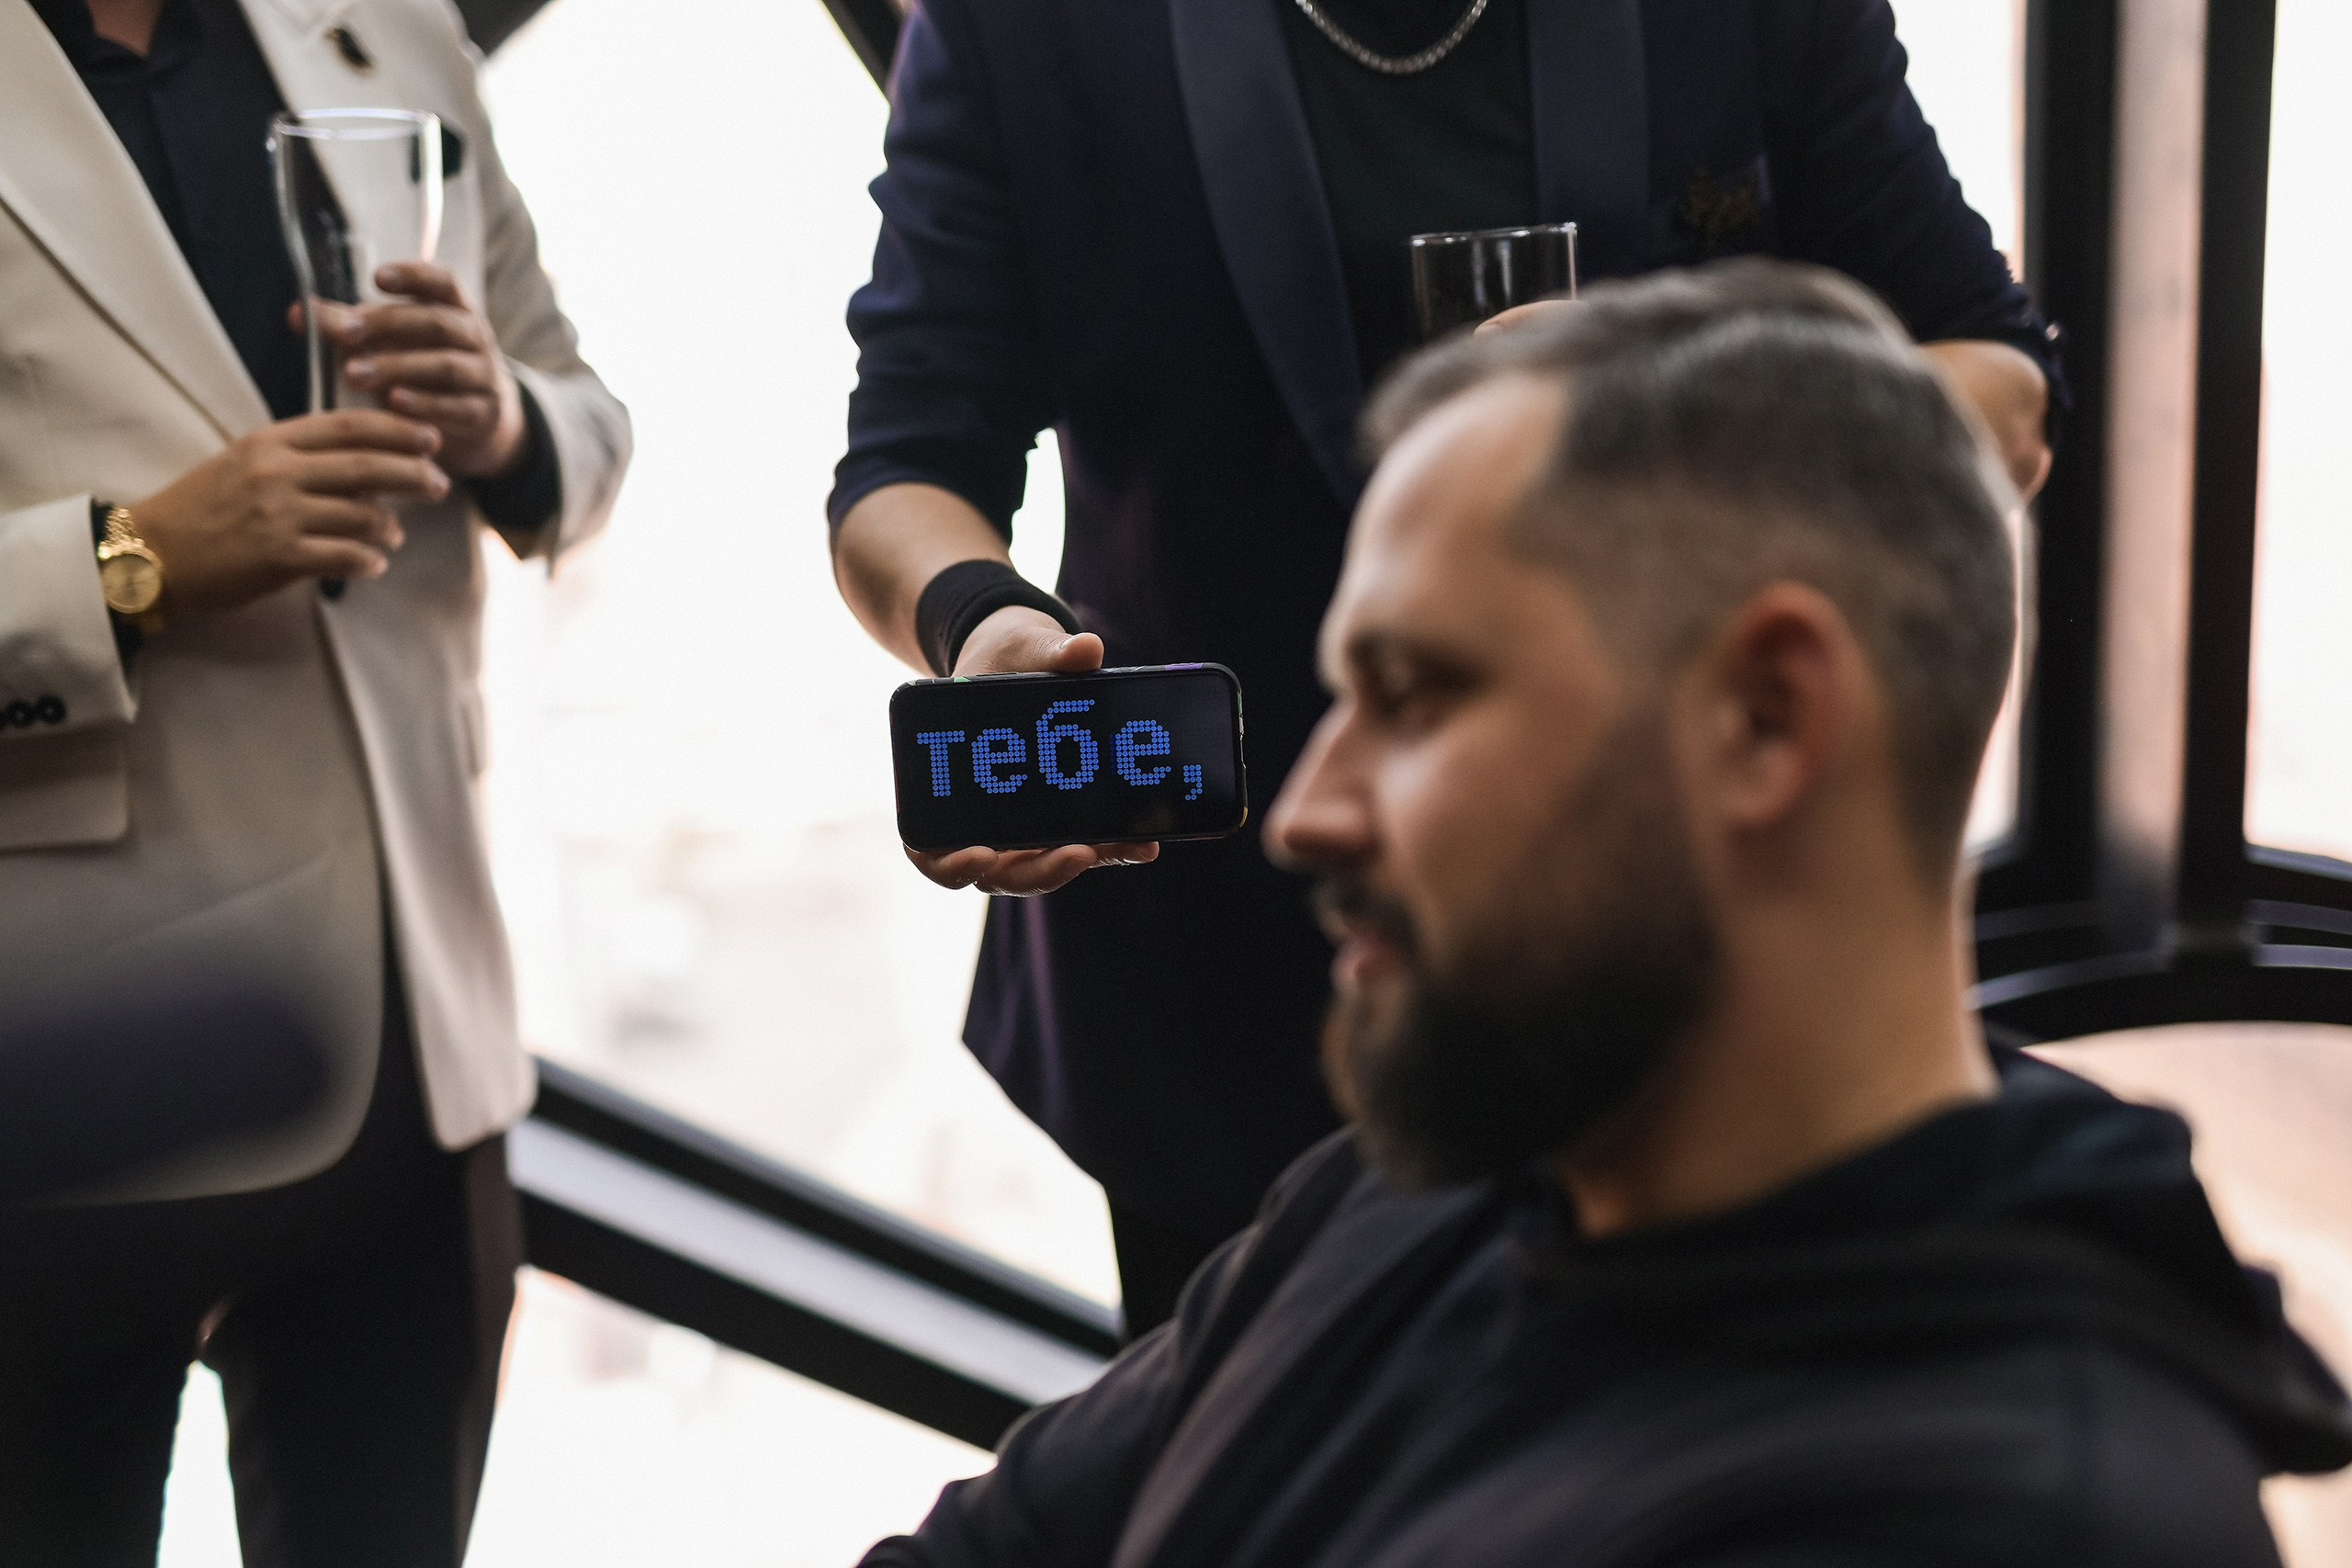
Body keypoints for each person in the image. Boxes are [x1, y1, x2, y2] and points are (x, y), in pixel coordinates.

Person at [855, 263, 2348, 1568]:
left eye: (1415, 696)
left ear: (1767, 718)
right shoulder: (1416, 1195)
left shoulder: (2004, 1519)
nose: (1307, 813)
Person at [831, 0, 2064, 1331]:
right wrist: (986, 626)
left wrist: (1701, 435)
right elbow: (906, 464)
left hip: (1671, 922)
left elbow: (1996, 377)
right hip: (1225, 971)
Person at [0, 0, 629, 1555]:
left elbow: (585, 418)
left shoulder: (389, 28)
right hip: (70, 1076)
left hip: (421, 1067)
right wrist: (132, 561)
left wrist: (500, 422)